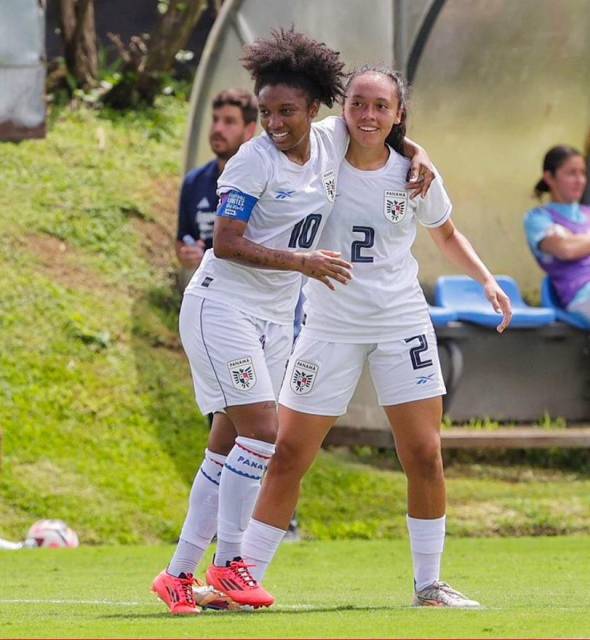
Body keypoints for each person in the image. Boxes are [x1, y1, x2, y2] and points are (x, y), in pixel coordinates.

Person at [152, 30, 435, 616]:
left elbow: (382, 129)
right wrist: (301, 261)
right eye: (265, 112)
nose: (275, 123)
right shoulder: (251, 162)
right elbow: (226, 244)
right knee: (263, 431)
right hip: (222, 306)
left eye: (286, 111)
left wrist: (421, 153)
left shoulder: (329, 145)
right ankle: (230, 564)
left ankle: (179, 574)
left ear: (314, 110)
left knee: (227, 444)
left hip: (276, 318)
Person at [239, 65, 513, 609]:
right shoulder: (320, 150)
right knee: (289, 452)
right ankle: (241, 579)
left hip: (400, 322)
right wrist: (420, 147)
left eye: (381, 107)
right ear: (342, 110)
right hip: (328, 325)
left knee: (424, 453)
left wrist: (485, 279)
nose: (368, 115)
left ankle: (429, 586)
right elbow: (282, 134)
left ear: (397, 114)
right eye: (358, 104)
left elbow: (447, 233)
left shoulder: (413, 175)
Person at [175, 88, 258, 292]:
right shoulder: (194, 181)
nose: (218, 128)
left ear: (249, 130)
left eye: (229, 121)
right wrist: (186, 255)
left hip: (253, 298)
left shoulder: (263, 181)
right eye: (215, 119)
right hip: (207, 295)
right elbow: (182, 238)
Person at [524, 145, 590, 322]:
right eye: (571, 173)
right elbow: (565, 249)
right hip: (581, 295)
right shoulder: (538, 218)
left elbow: (571, 245)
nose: (580, 180)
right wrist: (573, 243)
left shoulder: (588, 213)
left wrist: (578, 242)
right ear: (549, 177)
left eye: (582, 173)